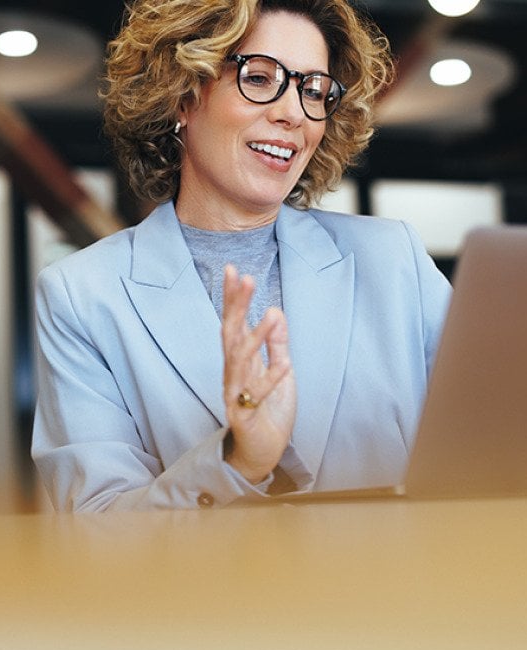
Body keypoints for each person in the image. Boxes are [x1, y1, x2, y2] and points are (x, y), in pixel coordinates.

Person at [32, 0, 451, 511]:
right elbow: (94, 538)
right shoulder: (81, 295)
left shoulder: (394, 259)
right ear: (182, 97)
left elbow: (492, 435)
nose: (293, 113)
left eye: (314, 90)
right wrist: (236, 462)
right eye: (259, 77)